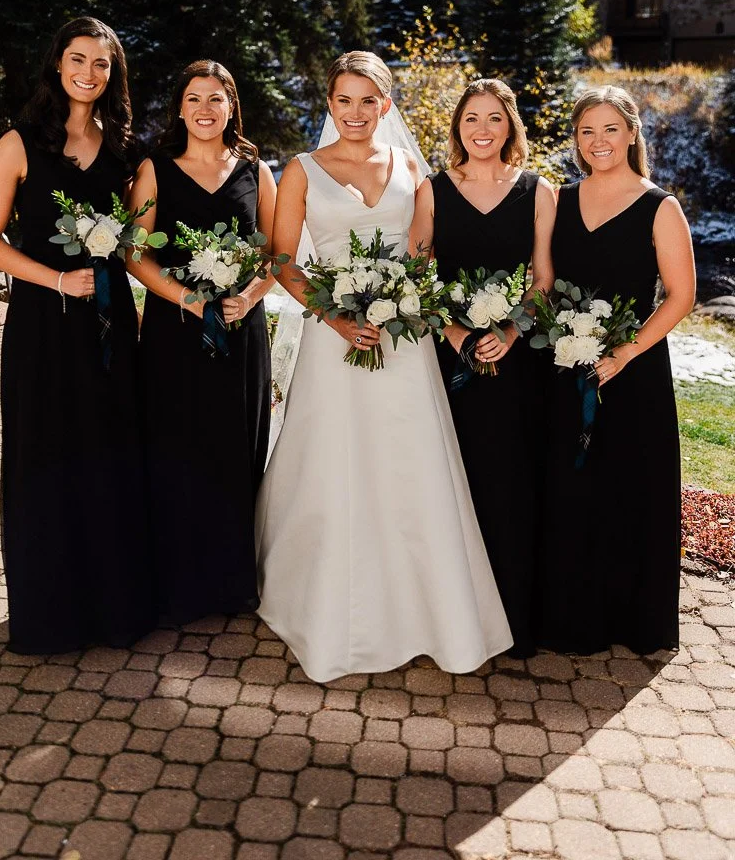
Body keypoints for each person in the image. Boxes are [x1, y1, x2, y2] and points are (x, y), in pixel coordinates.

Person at [255, 51, 512, 683]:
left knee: (410, 464)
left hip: (404, 344)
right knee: (335, 463)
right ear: (329, 104)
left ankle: (428, 612)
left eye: (369, 100)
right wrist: (337, 317)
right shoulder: (301, 170)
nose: (355, 112)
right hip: (333, 338)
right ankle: (325, 609)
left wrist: (405, 304)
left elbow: (422, 259)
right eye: (343, 99)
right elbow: (285, 261)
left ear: (387, 106)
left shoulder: (412, 171)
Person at [0, 17, 153, 654]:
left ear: (113, 74)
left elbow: (133, 237)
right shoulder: (20, 143)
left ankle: (112, 607)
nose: (89, 72)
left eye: (102, 64)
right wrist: (55, 281)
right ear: (57, 65)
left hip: (108, 322)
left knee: (109, 450)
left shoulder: (123, 146)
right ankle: (51, 613)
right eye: (79, 59)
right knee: (45, 452)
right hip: (45, 324)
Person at [538, 85, 695, 655]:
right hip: (566, 366)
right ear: (575, 140)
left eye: (610, 129)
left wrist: (626, 352)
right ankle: (570, 617)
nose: (598, 141)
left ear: (632, 133)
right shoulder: (559, 198)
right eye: (586, 131)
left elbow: (680, 295)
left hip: (634, 373)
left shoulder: (660, 206)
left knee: (630, 489)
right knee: (571, 488)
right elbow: (546, 283)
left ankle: (632, 621)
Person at [409, 78, 556, 657]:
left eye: (495, 118)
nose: (483, 130)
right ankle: (453, 619)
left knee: (514, 479)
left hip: (517, 364)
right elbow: (419, 276)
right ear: (458, 127)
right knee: (454, 479)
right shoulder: (433, 190)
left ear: (510, 127)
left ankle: (515, 615)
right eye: (472, 118)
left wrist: (513, 330)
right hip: (451, 362)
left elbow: (543, 278)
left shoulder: (538, 190)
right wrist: (457, 334)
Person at [128, 61, 275, 625]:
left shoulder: (256, 170)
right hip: (175, 329)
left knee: (237, 449)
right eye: (195, 99)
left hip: (241, 330)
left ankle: (232, 581)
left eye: (217, 99)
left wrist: (253, 293)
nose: (206, 109)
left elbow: (274, 253)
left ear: (231, 106)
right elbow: (135, 253)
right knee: (177, 446)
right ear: (181, 108)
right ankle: (178, 582)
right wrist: (186, 299)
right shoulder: (155, 169)